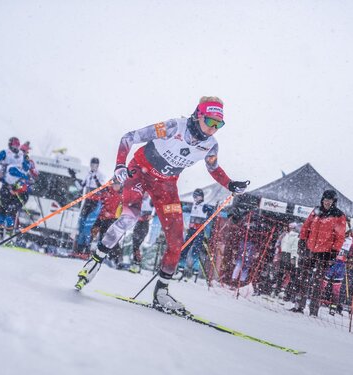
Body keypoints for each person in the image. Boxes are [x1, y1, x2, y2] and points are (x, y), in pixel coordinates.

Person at [75, 96, 249, 311]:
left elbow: (213, 169)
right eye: (210, 121)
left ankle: (162, 292)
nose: (214, 128)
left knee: (177, 239)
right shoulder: (173, 127)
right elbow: (129, 137)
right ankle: (95, 261)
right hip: (139, 172)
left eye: (219, 124)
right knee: (130, 216)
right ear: (198, 115)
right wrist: (120, 166)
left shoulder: (211, 146)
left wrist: (230, 184)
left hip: (166, 186)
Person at [291, 190, 346, 316]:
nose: (327, 202)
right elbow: (306, 226)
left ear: (334, 202)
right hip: (310, 249)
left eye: (329, 200)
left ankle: (313, 311)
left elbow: (340, 237)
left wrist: (333, 252)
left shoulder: (339, 216)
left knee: (318, 281)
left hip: (325, 253)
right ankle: (299, 305)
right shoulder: (316, 211)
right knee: (302, 278)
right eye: (325, 200)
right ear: (322, 200)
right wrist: (302, 241)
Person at [69, 157, 105, 254]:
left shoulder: (100, 175)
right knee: (81, 226)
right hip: (87, 202)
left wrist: (95, 178)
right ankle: (79, 250)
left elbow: (101, 189)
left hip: (95, 203)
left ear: (98, 166)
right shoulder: (88, 174)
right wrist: (74, 177)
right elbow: (80, 187)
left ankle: (87, 250)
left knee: (87, 228)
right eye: (92, 164)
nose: (93, 166)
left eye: (95, 165)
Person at [176, 188, 213, 281]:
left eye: (198, 196)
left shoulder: (204, 206)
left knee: (195, 251)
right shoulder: (192, 205)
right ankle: (180, 268)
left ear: (202, 197)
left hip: (199, 232)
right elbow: (183, 209)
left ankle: (195, 270)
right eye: (195, 196)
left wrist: (210, 211)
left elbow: (211, 212)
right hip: (191, 231)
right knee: (184, 249)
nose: (196, 198)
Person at [271, 222, 300, 300]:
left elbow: (295, 248)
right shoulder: (285, 235)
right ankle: (278, 290)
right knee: (281, 273)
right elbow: (279, 244)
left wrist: (293, 258)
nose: (289, 229)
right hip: (284, 255)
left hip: (290, 256)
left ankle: (286, 292)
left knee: (290, 275)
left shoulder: (296, 237)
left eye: (291, 228)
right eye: (289, 227)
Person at [129, 191, 153, 273]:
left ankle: (137, 264)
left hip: (144, 226)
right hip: (137, 225)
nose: (144, 194)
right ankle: (135, 263)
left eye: (146, 193)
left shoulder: (150, 201)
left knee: (138, 245)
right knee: (134, 244)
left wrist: (152, 216)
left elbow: (158, 209)